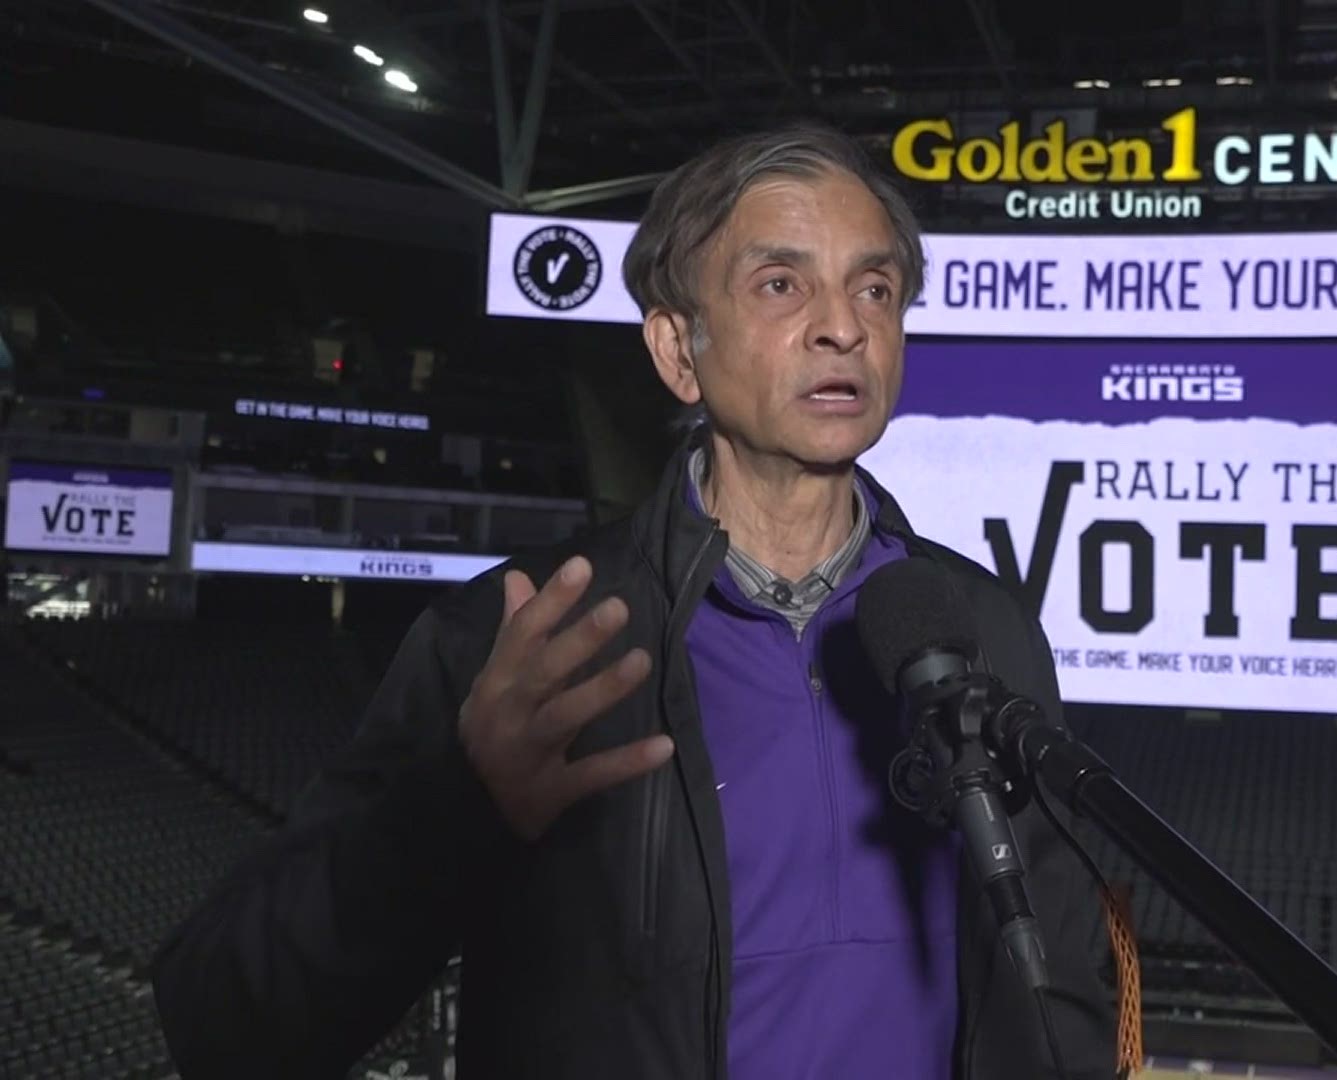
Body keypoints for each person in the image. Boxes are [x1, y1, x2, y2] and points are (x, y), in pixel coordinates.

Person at [150, 124, 1117, 1079]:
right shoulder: (522, 637)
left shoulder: (982, 628)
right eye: (782, 285)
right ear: (676, 349)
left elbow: (1061, 983)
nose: (844, 325)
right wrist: (452, 805)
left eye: (875, 287)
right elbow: (227, 1027)